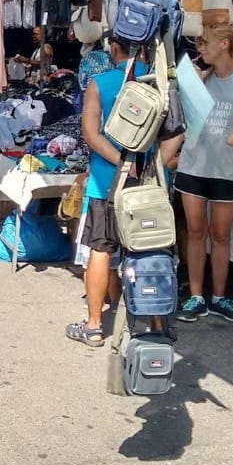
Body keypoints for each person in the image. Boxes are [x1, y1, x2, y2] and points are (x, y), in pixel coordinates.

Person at [173, 22, 233, 325]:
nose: (200, 48)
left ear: (224, 44)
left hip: (228, 167)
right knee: (196, 231)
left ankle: (219, 296)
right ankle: (197, 296)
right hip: (194, 164)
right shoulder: (197, 75)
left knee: (221, 234)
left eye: (205, 43)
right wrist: (195, 77)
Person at [64, 33, 139, 347]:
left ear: (114, 48)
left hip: (105, 182)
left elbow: (91, 134)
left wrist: (122, 163)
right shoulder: (158, 82)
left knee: (100, 250)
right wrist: (144, 166)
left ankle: (94, 326)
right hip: (149, 183)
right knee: (148, 251)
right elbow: (179, 135)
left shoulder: (100, 83)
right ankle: (149, 322)